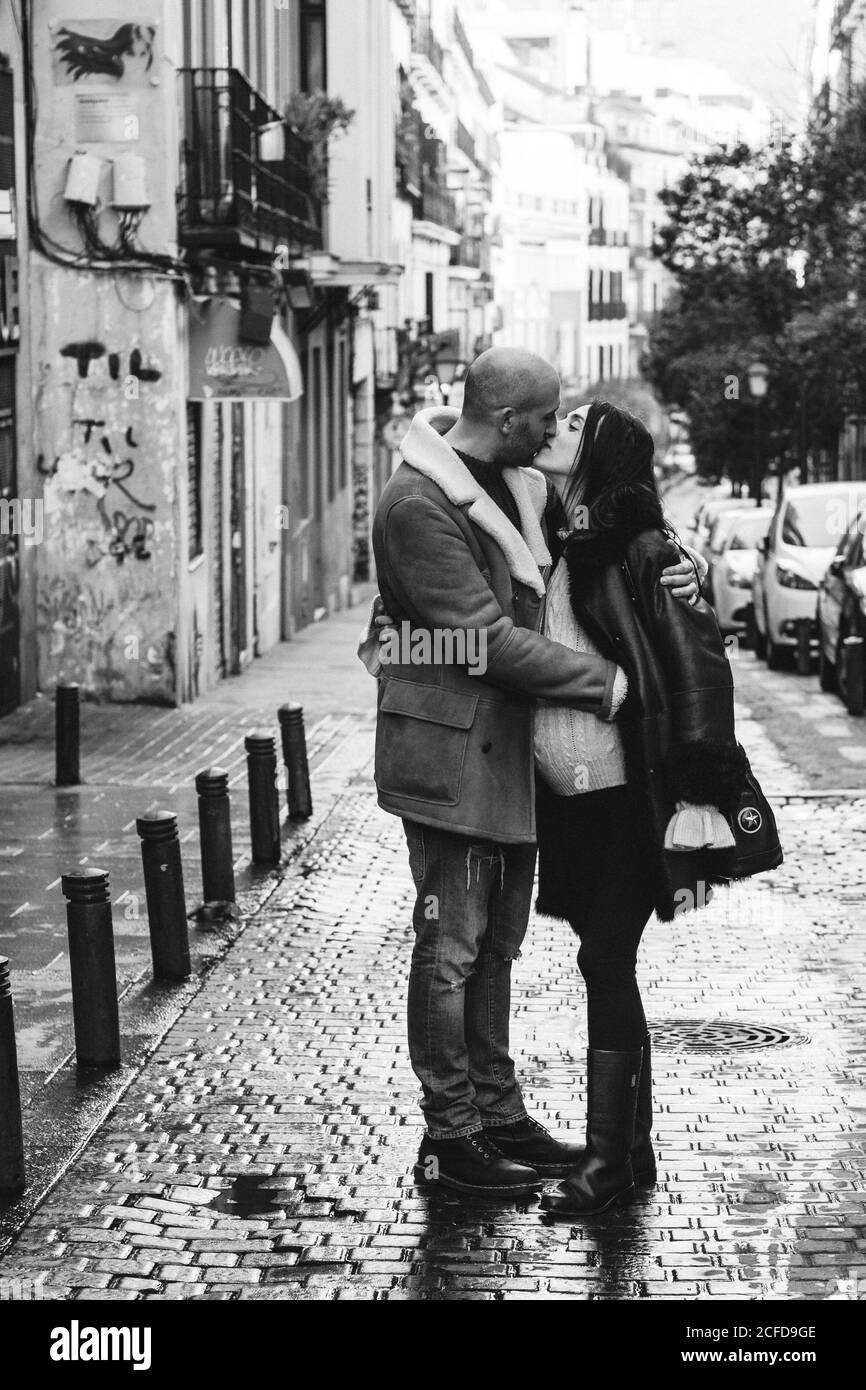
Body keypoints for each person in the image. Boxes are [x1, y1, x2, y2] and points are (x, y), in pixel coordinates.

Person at [365, 348, 705, 1197]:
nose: (557, 431)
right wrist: (611, 685)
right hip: (451, 759)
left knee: (496, 948)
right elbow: (482, 640)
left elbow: (615, 523)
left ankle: (498, 1110)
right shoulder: (419, 502)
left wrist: (681, 566)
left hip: (512, 761)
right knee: (449, 950)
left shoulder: (522, 482)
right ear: (511, 420)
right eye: (548, 417)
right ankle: (451, 1138)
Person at [528, 402, 749, 1217]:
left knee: (604, 958)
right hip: (574, 799)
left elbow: (700, 669)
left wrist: (697, 790)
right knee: (601, 954)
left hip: (632, 794)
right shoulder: (562, 540)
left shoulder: (645, 550)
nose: (559, 424)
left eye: (577, 420)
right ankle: (635, 1152)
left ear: (602, 452)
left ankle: (607, 1165)